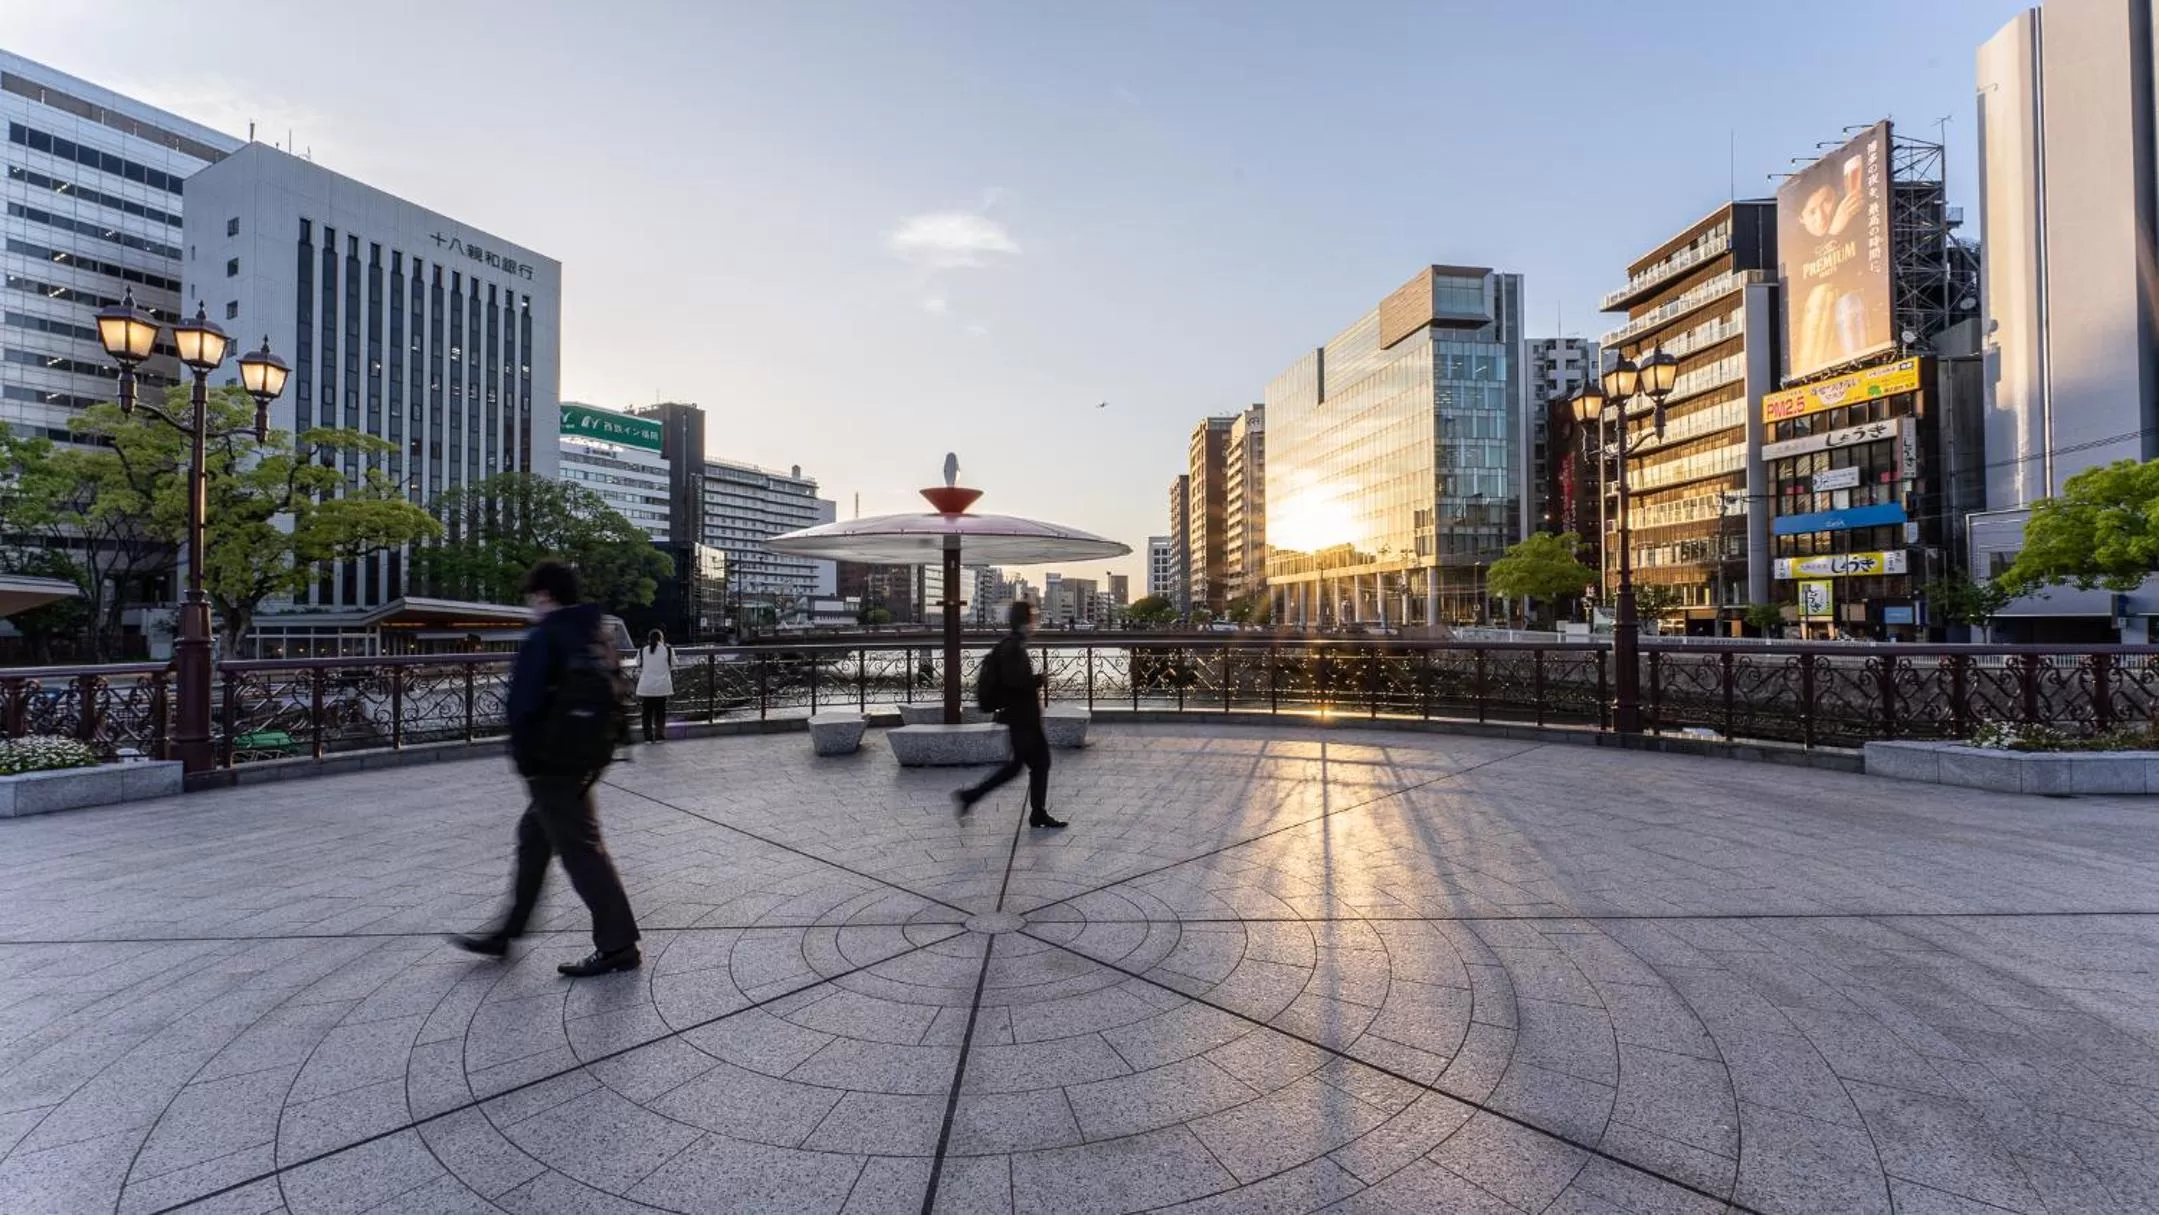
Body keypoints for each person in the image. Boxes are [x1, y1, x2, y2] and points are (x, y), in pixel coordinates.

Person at [453, 560, 642, 977]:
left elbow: (522, 706)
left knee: (581, 851)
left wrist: (527, 763)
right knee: (534, 838)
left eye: (533, 597)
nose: (531, 605)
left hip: (552, 765)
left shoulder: (546, 637)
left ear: (544, 595)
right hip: (586, 757)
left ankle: (618, 945)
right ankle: (507, 931)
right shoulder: (593, 632)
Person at [953, 601, 1065, 828]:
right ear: (1024, 622)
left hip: (1022, 718)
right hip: (1022, 719)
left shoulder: (1012, 645)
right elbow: (1015, 682)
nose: (1034, 624)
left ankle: (974, 797)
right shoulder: (1012, 647)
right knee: (1032, 764)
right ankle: (974, 797)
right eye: (1031, 619)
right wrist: (1038, 680)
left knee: (1026, 765)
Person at [636, 629, 674, 743]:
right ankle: (659, 736)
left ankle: (648, 737)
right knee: (660, 712)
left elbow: (638, 664)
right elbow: (673, 664)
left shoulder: (642, 650)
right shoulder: (668, 650)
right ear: (661, 639)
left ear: (649, 639)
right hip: (661, 686)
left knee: (646, 713)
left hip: (646, 687)